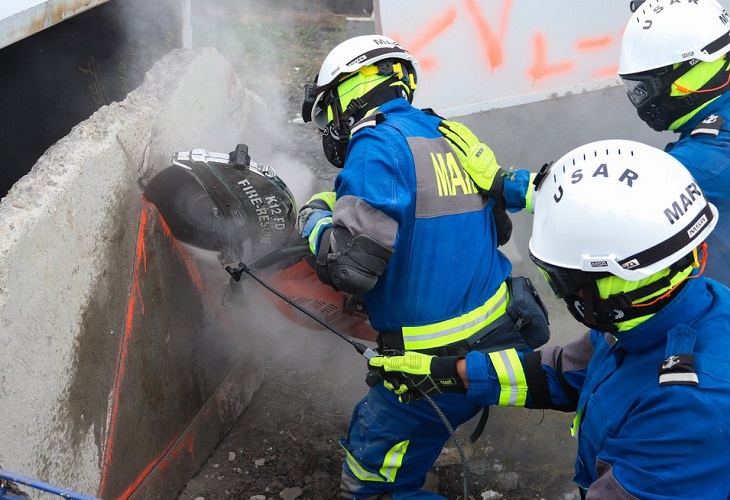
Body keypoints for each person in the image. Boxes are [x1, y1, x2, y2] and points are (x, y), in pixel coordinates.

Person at [369, 139, 730, 498]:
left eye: (560, 279)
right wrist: (452, 373)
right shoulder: (656, 312)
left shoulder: (688, 415)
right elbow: (565, 373)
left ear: (612, 282)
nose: (561, 292)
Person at [298, 34, 549, 498]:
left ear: (347, 93)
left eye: (326, 112)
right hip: (497, 339)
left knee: (370, 484)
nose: (328, 126)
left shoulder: (376, 145)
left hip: (432, 369)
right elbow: (497, 229)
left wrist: (313, 216)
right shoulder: (449, 134)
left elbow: (350, 268)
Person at [618, 0, 730, 285]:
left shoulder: (711, 154)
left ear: (692, 69)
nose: (641, 100)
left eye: (644, 87)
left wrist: (525, 188)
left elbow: (626, 195)